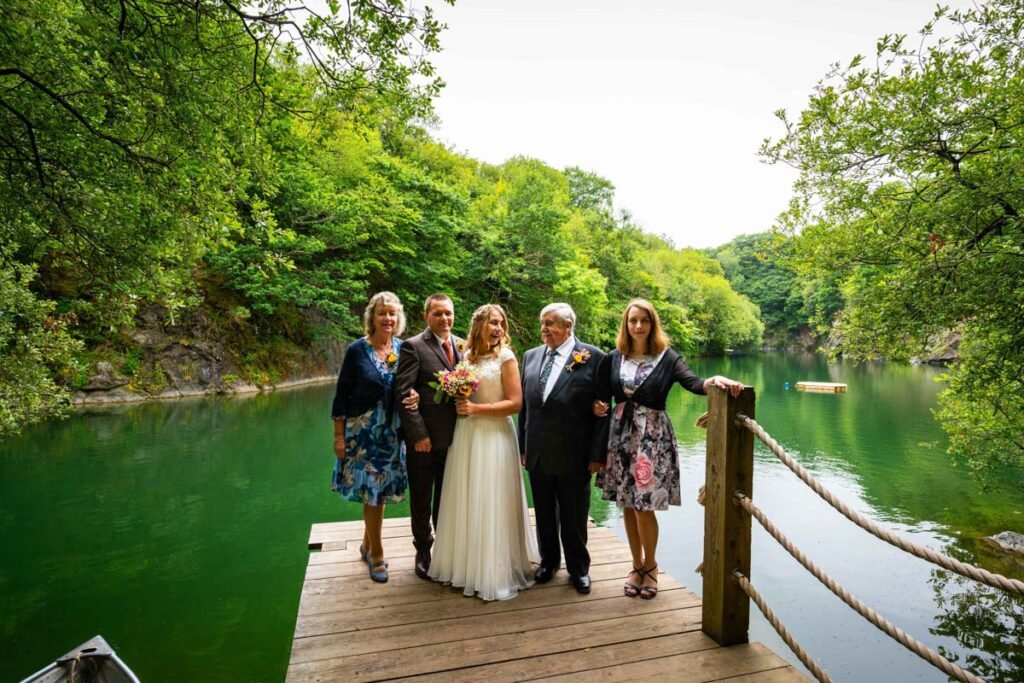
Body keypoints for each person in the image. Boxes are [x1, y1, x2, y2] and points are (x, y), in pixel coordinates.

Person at [593, 299, 743, 599]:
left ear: (652, 324)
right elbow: (600, 394)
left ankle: (650, 567)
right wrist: (597, 406)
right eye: (633, 320)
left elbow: (694, 383)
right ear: (626, 324)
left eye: (644, 321)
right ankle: (635, 565)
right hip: (621, 438)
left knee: (645, 507)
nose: (638, 326)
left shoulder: (667, 357)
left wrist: (715, 381)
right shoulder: (613, 357)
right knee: (628, 504)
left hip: (653, 440)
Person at [429, 304, 539, 600]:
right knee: (467, 498)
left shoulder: (507, 357)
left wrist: (476, 408)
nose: (498, 328)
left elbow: (516, 404)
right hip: (467, 435)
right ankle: (465, 567)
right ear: (478, 325)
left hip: (495, 436)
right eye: (493, 322)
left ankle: (495, 570)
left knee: (492, 499)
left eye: (501, 323)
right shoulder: (466, 356)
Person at [518, 303, 608, 594]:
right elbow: (526, 409)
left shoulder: (594, 358)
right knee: (543, 511)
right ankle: (548, 562)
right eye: (542, 323)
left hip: (575, 452)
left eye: (550, 323)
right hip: (538, 450)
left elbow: (604, 411)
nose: (544, 329)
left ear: (568, 327)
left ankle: (579, 569)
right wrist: (523, 445)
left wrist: (597, 454)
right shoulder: (531, 357)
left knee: (574, 514)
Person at [330, 291, 409, 583]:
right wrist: (339, 437)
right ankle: (377, 554)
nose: (387, 318)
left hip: (391, 433)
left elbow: (410, 388)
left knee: (379, 492)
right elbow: (341, 396)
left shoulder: (403, 349)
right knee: (373, 493)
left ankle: (366, 544)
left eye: (392, 313)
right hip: (362, 434)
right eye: (382, 313)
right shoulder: (356, 350)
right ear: (371, 317)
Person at [395, 293, 462, 580]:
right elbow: (403, 392)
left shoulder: (461, 345)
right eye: (438, 314)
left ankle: (445, 551)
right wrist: (418, 434)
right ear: (426, 316)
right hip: (423, 441)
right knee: (422, 498)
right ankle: (423, 550)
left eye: (448, 313)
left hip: (456, 439)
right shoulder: (413, 346)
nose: (444, 318)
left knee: (447, 499)